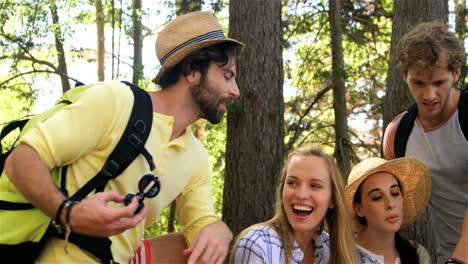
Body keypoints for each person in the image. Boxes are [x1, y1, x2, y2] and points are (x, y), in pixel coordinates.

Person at [4, 11, 244, 263]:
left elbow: (200, 224)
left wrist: (218, 230)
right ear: (193, 71)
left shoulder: (195, 156)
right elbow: (21, 160)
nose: (235, 91)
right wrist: (68, 213)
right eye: (227, 76)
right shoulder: (116, 101)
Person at [383, 20, 467, 262]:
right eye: (419, 83)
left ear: (456, 73)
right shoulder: (398, 135)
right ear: (404, 75)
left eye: (439, 83)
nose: (429, 95)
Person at [230, 146, 357, 264]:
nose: (301, 195)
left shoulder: (330, 248)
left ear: (332, 200)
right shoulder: (258, 244)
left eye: (315, 185)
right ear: (282, 190)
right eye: (292, 183)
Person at [344, 157, 432, 263]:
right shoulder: (343, 255)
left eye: (395, 193)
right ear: (359, 209)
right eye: (377, 197)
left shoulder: (418, 255)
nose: (390, 204)